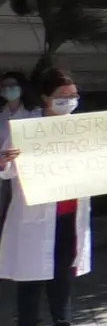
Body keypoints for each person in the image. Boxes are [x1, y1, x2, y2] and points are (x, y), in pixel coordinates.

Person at [0, 68, 107, 326]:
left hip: (69, 213)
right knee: (31, 276)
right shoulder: (26, 127)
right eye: (62, 96)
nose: (70, 101)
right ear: (46, 97)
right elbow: (8, 172)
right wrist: (5, 162)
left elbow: (99, 162)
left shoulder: (82, 129)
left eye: (74, 96)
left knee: (63, 272)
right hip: (35, 215)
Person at [0, 71, 39, 236]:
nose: (9, 89)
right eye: (5, 86)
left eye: (13, 86)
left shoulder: (35, 113)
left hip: (26, 170)